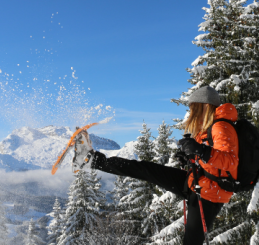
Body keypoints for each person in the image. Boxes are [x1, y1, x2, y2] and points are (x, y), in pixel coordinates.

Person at [73, 86, 239, 245]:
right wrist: (190, 158)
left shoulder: (221, 127)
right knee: (145, 169)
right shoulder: (210, 127)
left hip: (209, 195)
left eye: (193, 107)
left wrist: (200, 151)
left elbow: (230, 161)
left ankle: (90, 160)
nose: (191, 112)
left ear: (204, 106)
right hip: (197, 182)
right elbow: (212, 161)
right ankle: (91, 160)